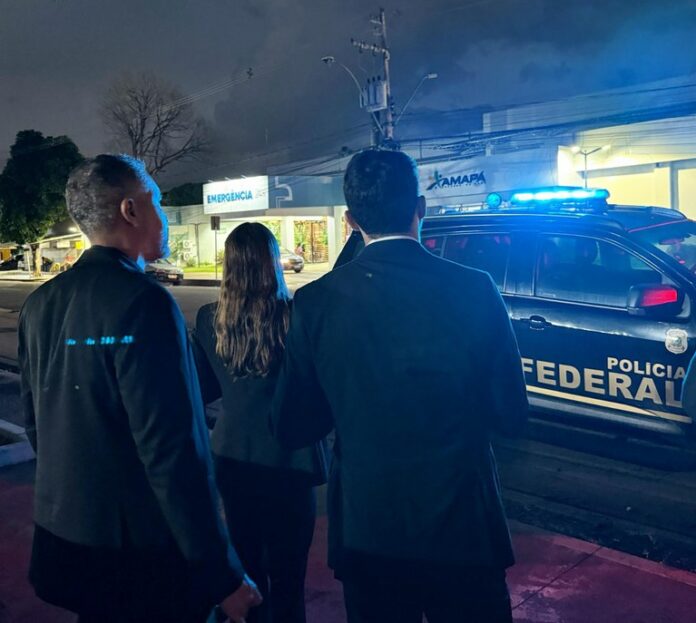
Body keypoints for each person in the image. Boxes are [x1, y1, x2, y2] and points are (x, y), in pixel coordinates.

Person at [271, 149, 529, 623]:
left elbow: (292, 425)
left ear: (350, 221)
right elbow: (511, 413)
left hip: (370, 532)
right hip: (464, 528)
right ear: (420, 207)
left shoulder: (316, 302)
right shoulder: (475, 288)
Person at [17, 154, 261, 623]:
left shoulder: (40, 303)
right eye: (157, 201)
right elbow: (172, 453)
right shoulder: (145, 302)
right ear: (130, 210)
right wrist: (221, 573)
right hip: (138, 561)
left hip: (65, 543)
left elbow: (37, 427)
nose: (163, 215)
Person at [192, 223, 326, 623]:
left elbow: (204, 389)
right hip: (292, 458)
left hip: (235, 457)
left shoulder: (209, 319)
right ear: (273, 261)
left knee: (247, 573)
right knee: (290, 579)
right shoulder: (296, 315)